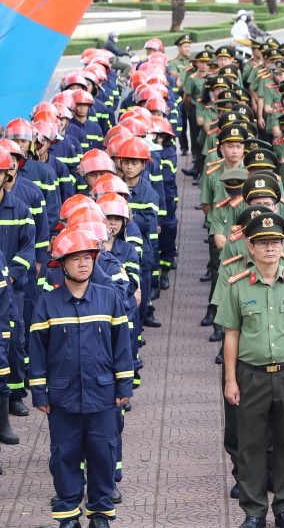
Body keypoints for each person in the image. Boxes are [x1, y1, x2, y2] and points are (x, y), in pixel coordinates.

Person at [217, 212, 284, 528]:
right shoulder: (237, 286)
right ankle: (254, 511)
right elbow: (231, 335)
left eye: (275, 242)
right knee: (251, 444)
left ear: (283, 244)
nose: (270, 248)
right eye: (262, 243)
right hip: (251, 375)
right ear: (250, 246)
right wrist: (231, 379)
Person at [29, 226, 133, 528]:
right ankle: (68, 516)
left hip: (102, 396)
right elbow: (37, 352)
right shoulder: (47, 304)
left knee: (103, 456)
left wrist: (124, 384)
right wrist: (40, 392)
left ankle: (100, 515)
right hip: (62, 399)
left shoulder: (110, 299)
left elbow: (122, 346)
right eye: (75, 258)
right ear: (61, 264)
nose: (83, 263)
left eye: (88, 257)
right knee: (64, 458)